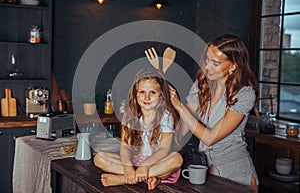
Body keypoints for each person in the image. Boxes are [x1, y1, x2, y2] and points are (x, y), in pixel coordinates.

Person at [169, 34, 259, 192]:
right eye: (207, 60)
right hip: (205, 171)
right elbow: (182, 131)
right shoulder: (202, 86)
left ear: (233, 66)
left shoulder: (245, 94)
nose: (208, 67)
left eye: (215, 63)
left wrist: (178, 105)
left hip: (235, 174)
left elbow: (209, 138)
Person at [94, 68, 183, 190]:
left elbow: (164, 149)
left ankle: (124, 179)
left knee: (176, 159)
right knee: (99, 158)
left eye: (152, 92)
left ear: (161, 94)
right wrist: (128, 167)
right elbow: (125, 146)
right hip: (135, 161)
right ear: (135, 94)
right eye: (142, 92)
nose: (147, 97)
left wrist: (145, 166)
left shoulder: (166, 116)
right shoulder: (129, 115)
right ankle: (150, 177)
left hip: (156, 162)